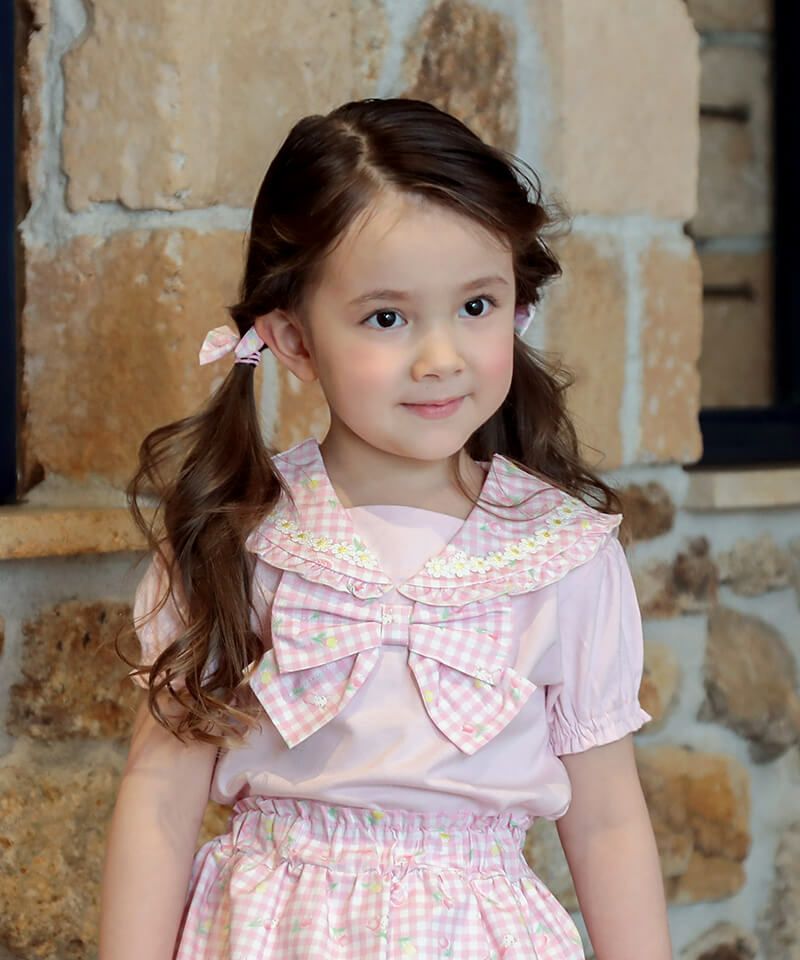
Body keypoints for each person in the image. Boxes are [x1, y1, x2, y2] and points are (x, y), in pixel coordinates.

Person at [99, 97, 672, 960]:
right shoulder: (236, 537)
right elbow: (159, 800)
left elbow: (608, 824)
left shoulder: (561, 554)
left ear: (517, 304)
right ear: (293, 339)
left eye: (476, 306)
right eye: (387, 318)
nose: (440, 358)